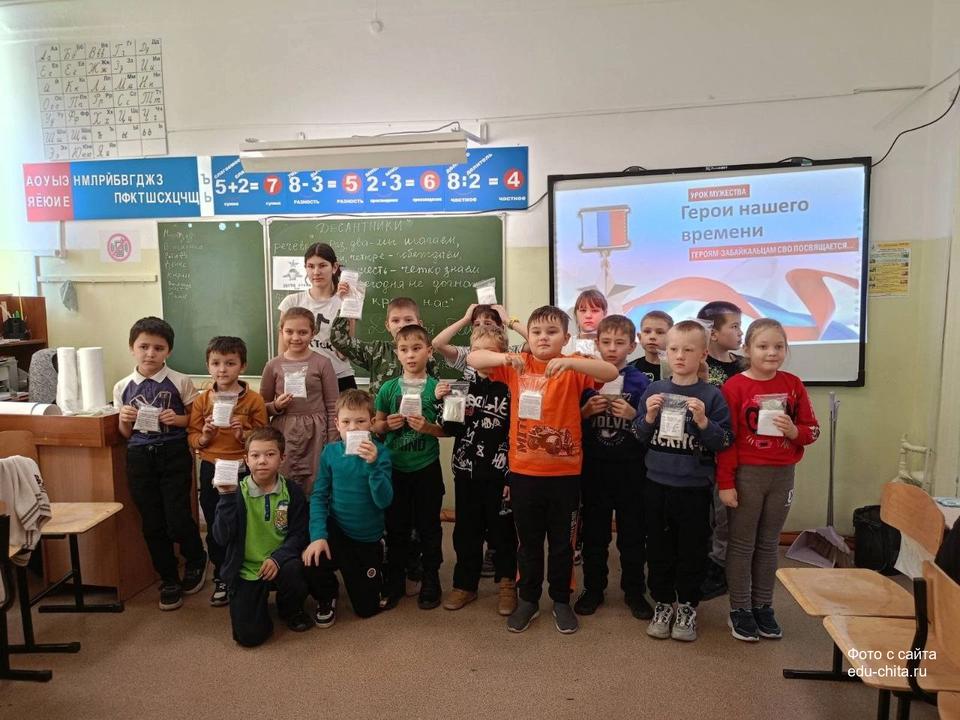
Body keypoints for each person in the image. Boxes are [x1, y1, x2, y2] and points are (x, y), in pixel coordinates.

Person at [468, 305, 618, 635]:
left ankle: (561, 600)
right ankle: (529, 599)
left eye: (552, 332)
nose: (543, 338)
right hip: (524, 473)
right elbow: (474, 359)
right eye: (536, 332)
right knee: (529, 543)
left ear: (566, 337)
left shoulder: (574, 366)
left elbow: (609, 372)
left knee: (563, 544)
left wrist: (572, 362)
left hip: (565, 475)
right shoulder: (516, 365)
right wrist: (505, 357)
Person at [717, 318, 819, 642]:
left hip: (782, 475)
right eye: (763, 346)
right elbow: (726, 440)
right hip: (747, 475)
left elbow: (812, 430)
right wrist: (726, 483)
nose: (771, 352)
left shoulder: (793, 384)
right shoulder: (734, 387)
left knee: (769, 542)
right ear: (747, 349)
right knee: (742, 543)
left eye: (779, 346)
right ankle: (740, 609)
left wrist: (794, 431)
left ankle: (763, 606)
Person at [634, 320, 733, 643]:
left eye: (688, 350)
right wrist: (649, 417)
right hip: (656, 485)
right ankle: (663, 603)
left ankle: (688, 605)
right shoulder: (654, 391)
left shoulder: (712, 396)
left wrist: (703, 421)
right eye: (674, 349)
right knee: (658, 547)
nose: (679, 356)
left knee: (692, 549)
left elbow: (724, 441)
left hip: (694, 489)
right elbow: (638, 435)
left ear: (703, 354)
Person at [114, 317, 207, 611]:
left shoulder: (180, 381)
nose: (150, 353)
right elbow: (125, 434)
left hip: (173, 453)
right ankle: (167, 577)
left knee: (177, 515)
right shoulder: (122, 386)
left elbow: (194, 420)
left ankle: (196, 558)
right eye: (144, 347)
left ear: (169, 350)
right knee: (152, 521)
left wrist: (177, 419)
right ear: (132, 348)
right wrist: (124, 419)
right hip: (140, 457)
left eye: (158, 348)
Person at [435, 325, 517, 616]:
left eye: (491, 352)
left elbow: (517, 433)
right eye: (478, 351)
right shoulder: (461, 386)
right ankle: (465, 585)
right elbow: (450, 428)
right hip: (466, 472)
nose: (483, 357)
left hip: (499, 475)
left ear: (502, 354)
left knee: (503, 533)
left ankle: (507, 584)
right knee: (466, 532)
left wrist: (511, 475)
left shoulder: (511, 387)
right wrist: (442, 401)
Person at [576, 315, 651, 620]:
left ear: (632, 346)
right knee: (594, 534)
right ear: (596, 343)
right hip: (594, 469)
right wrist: (585, 411)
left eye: (620, 343)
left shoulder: (641, 382)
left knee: (632, 534)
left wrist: (634, 415)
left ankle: (634, 591)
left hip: (631, 470)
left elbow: (651, 428)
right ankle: (593, 589)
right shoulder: (585, 378)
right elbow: (567, 422)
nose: (612, 348)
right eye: (606, 342)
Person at [212, 427, 314, 646]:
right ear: (246, 460)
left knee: (297, 570)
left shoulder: (292, 491)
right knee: (249, 637)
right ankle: (254, 605)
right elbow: (221, 538)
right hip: (246, 568)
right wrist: (226, 497)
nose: (262, 461)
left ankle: (290, 608)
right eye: (255, 455)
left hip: (282, 562)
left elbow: (299, 534)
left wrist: (278, 558)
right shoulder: (236, 492)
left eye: (270, 454)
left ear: (282, 458)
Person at [188, 336, 268, 607]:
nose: (222, 369)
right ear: (208, 366)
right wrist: (204, 436)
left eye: (230, 363)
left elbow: (263, 437)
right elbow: (192, 436)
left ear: (242, 366)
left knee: (246, 521)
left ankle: (245, 571)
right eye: (216, 363)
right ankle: (222, 576)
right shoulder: (202, 401)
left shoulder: (254, 400)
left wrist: (242, 434)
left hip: (244, 468)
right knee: (216, 523)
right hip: (212, 467)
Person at [302, 390, 393, 626]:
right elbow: (319, 496)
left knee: (367, 609)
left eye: (360, 421)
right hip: (338, 530)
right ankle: (327, 594)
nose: (352, 428)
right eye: (346, 422)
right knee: (311, 555)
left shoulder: (381, 454)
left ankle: (380, 561)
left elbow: (384, 501)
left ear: (372, 423)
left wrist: (373, 465)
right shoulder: (330, 452)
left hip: (367, 537)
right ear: (337, 424)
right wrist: (318, 536)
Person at [373, 325, 446, 610]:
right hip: (395, 468)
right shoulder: (388, 388)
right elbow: (376, 425)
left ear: (429, 351)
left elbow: (447, 430)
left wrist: (428, 428)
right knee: (396, 527)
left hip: (426, 468)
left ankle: (431, 578)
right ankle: (395, 580)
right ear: (397, 354)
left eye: (416, 349)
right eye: (404, 350)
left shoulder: (437, 388)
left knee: (429, 527)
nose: (411, 355)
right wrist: (386, 425)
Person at [259, 307, 340, 496]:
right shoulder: (273, 365)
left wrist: (332, 440)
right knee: (285, 482)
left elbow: (333, 406)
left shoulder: (322, 363)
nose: (295, 337)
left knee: (316, 482)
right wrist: (276, 406)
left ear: (313, 333)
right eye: (289, 331)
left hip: (316, 433)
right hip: (283, 431)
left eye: (302, 332)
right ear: (281, 332)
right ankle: (285, 514)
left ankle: (313, 514)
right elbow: (261, 407)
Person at [696, 300, 744, 601]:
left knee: (726, 515)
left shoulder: (745, 366)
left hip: (734, 452)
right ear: (712, 333)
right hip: (701, 453)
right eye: (735, 326)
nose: (741, 332)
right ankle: (702, 563)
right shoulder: (698, 365)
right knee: (704, 515)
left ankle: (720, 569)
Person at [277, 242, 357, 391]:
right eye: (311, 266)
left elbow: (344, 354)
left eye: (322, 265)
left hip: (339, 377)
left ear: (334, 267)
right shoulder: (292, 302)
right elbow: (283, 353)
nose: (316, 272)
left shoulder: (344, 301)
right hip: (302, 379)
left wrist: (348, 305)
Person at [330, 296, 437, 397]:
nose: (402, 325)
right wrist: (347, 303)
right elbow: (340, 339)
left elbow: (435, 391)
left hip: (416, 409)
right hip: (381, 410)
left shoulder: (425, 354)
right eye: (395, 320)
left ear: (419, 324)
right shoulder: (376, 350)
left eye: (408, 320)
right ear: (388, 325)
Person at [432, 303, 528, 377]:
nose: (481, 327)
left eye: (488, 323)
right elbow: (437, 343)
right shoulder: (467, 353)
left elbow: (534, 341)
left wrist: (508, 321)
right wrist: (465, 319)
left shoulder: (510, 352)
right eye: (477, 324)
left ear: (501, 328)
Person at [561, 288, 607, 357]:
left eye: (594, 310)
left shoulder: (611, 345)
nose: (588, 316)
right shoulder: (565, 345)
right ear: (576, 314)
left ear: (605, 313)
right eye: (583, 310)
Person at [631, 310, 673, 382]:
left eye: (660, 332)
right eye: (647, 331)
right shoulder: (631, 369)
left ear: (671, 338)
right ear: (639, 337)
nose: (652, 337)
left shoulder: (677, 370)